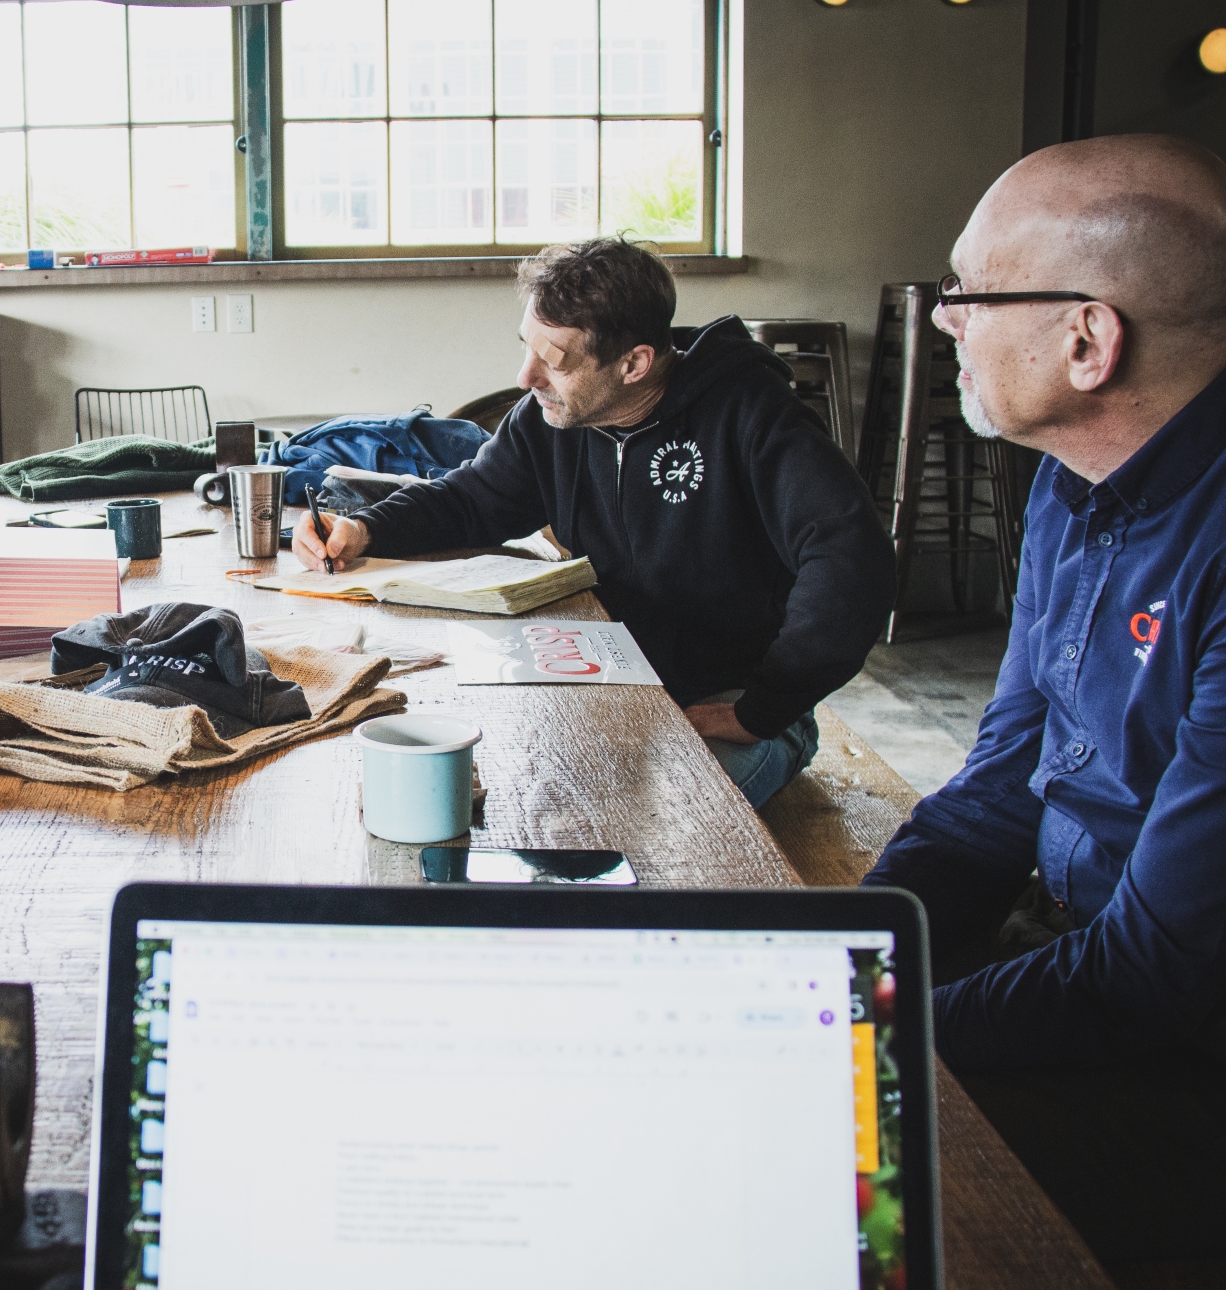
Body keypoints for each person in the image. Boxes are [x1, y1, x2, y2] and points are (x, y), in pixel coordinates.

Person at [859, 132, 1226, 1270]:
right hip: (1079, 959)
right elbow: (999, 791)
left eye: (968, 291)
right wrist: (845, 959)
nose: (943, 319)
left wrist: (862, 1037)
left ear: (1086, 339)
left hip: (1176, 1046)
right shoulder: (1075, 485)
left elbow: (1157, 980)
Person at [294, 237, 896, 808]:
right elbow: (473, 499)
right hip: (610, 684)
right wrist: (367, 528)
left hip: (728, 701)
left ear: (634, 363)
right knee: (492, 789)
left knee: (672, 824)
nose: (527, 378)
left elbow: (851, 556)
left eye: (553, 361)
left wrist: (762, 709)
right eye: (525, 346)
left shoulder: (748, 413)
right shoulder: (547, 418)